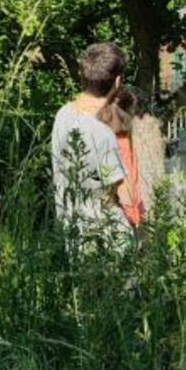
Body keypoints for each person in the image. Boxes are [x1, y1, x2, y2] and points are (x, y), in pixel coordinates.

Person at [51, 42, 138, 247]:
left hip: (71, 230)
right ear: (117, 82)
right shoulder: (102, 133)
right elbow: (127, 197)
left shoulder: (63, 114)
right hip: (105, 239)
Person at [97, 89, 145, 228]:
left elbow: (129, 184)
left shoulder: (119, 142)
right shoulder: (120, 142)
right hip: (124, 213)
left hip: (124, 213)